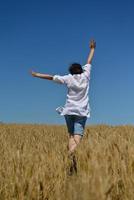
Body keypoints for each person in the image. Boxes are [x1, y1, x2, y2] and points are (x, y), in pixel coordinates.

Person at [31, 40, 96, 156]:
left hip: (69, 111)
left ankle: (70, 159)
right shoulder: (86, 76)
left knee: (71, 135)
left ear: (71, 72)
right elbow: (89, 61)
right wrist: (92, 49)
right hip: (81, 112)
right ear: (82, 70)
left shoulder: (68, 78)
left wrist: (37, 75)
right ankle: (71, 154)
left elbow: (51, 77)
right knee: (77, 137)